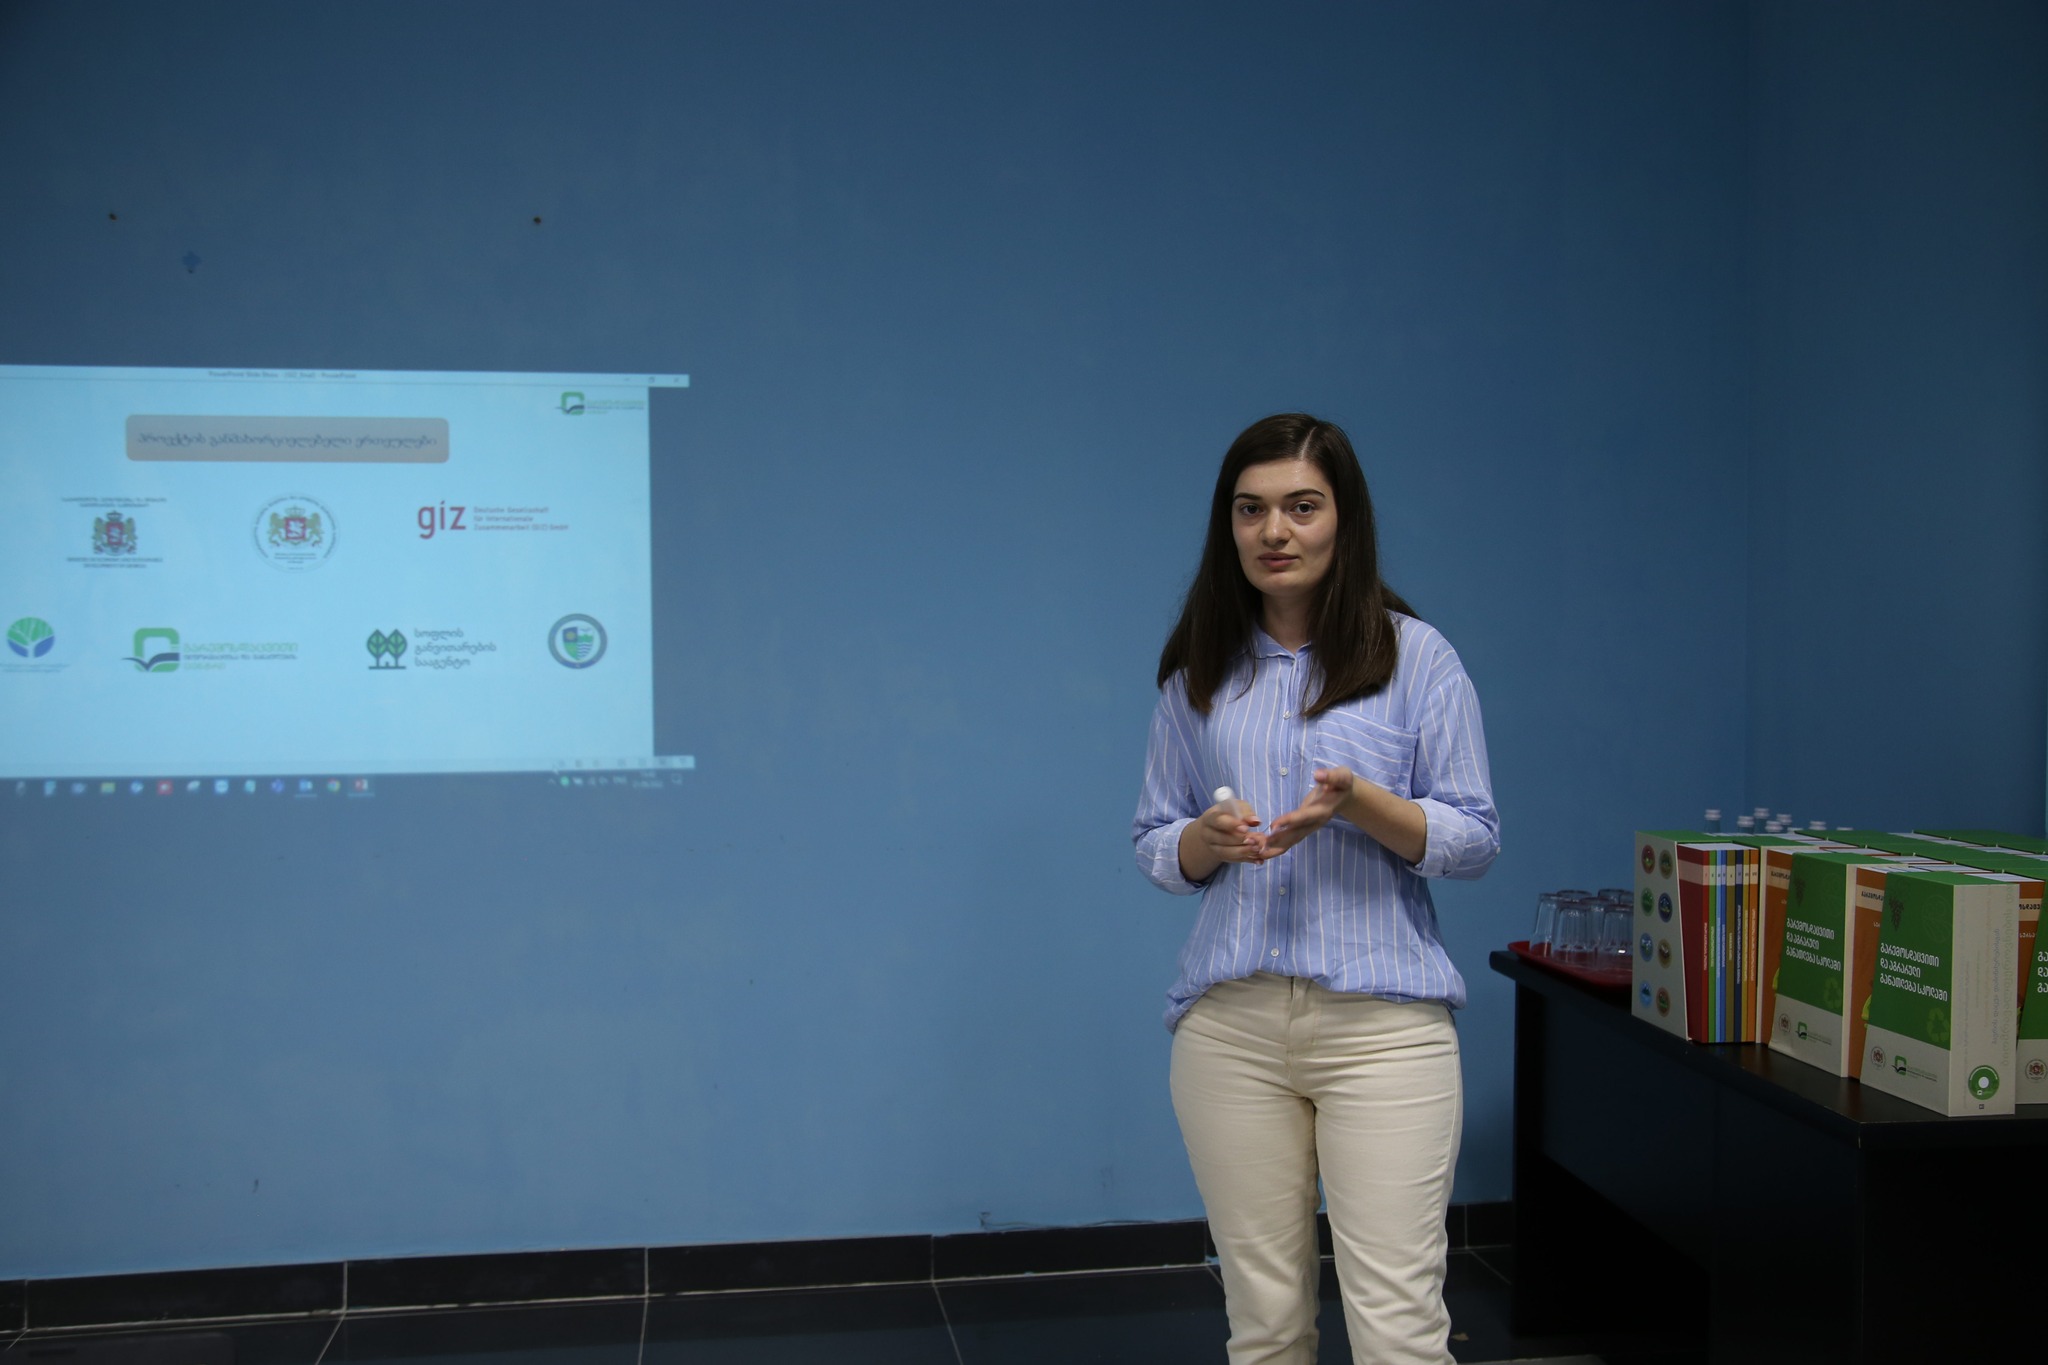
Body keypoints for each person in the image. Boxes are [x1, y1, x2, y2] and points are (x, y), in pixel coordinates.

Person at [1131, 413, 1499, 1365]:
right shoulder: (1197, 674)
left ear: (1345, 519)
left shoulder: (1418, 659)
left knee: (1398, 1332)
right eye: (1250, 510)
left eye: (1302, 507)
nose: (1274, 531)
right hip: (1231, 1029)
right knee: (1265, 1330)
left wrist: (1358, 802)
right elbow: (1155, 842)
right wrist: (1204, 841)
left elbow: (1473, 837)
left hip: (1383, 1030)